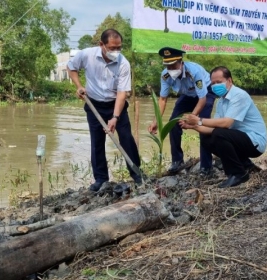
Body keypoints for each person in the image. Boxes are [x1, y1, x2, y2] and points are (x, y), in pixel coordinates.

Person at [67, 28, 141, 192]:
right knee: (97, 142)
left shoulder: (123, 63)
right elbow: (71, 67)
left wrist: (115, 117)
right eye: (112, 48)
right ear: (102, 44)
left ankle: (137, 175)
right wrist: (79, 86)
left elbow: (122, 93)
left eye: (119, 47)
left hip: (116, 104)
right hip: (94, 105)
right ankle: (101, 179)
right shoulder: (87, 55)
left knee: (126, 138)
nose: (116, 51)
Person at [180, 66, 267, 188]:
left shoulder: (239, 95)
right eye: (213, 83)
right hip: (239, 139)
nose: (215, 86)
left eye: (219, 82)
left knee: (219, 134)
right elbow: (212, 128)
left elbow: (226, 124)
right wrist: (193, 126)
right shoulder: (220, 101)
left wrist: (199, 119)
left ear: (229, 81)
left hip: (255, 141)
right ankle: (246, 165)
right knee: (206, 139)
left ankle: (238, 174)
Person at [148, 47, 216, 175]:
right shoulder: (165, 75)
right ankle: (177, 161)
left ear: (181, 62)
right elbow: (162, 100)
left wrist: (192, 117)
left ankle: (206, 167)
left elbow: (202, 99)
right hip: (188, 94)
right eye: (168, 66)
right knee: (173, 123)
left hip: (205, 93)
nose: (171, 69)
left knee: (202, 124)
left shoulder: (194, 72)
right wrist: (156, 120)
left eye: (173, 65)